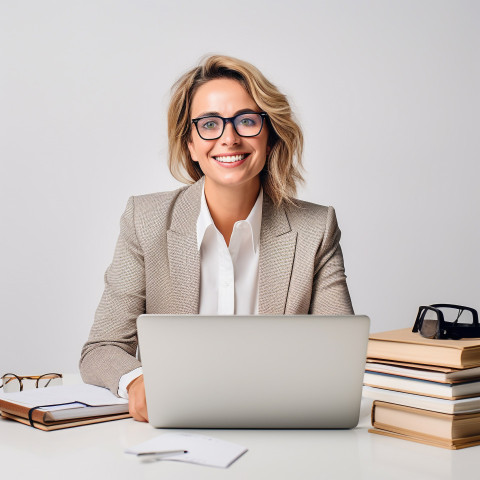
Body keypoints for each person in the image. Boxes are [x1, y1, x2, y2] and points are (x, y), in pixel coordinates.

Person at [79, 55, 354, 422]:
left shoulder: (315, 228)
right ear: (190, 143)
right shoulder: (145, 221)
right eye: (209, 123)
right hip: (175, 434)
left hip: (282, 427)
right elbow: (101, 348)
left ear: (269, 136)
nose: (229, 138)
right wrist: (136, 380)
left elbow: (338, 355)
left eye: (246, 121)